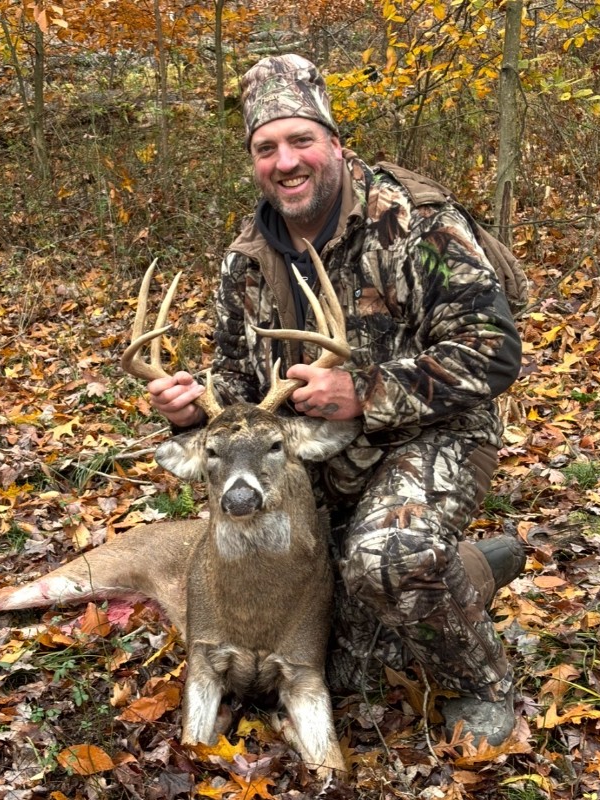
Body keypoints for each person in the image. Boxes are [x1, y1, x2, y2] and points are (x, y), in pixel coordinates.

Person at [148, 54, 525, 746]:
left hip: (430, 436)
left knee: (387, 559)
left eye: (301, 140)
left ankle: (480, 684)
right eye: (266, 148)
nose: (285, 162)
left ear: (336, 144)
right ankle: (472, 567)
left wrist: (366, 391)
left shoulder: (416, 224)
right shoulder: (245, 260)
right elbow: (239, 390)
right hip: (311, 457)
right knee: (345, 666)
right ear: (253, 161)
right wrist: (194, 411)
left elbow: (494, 350)